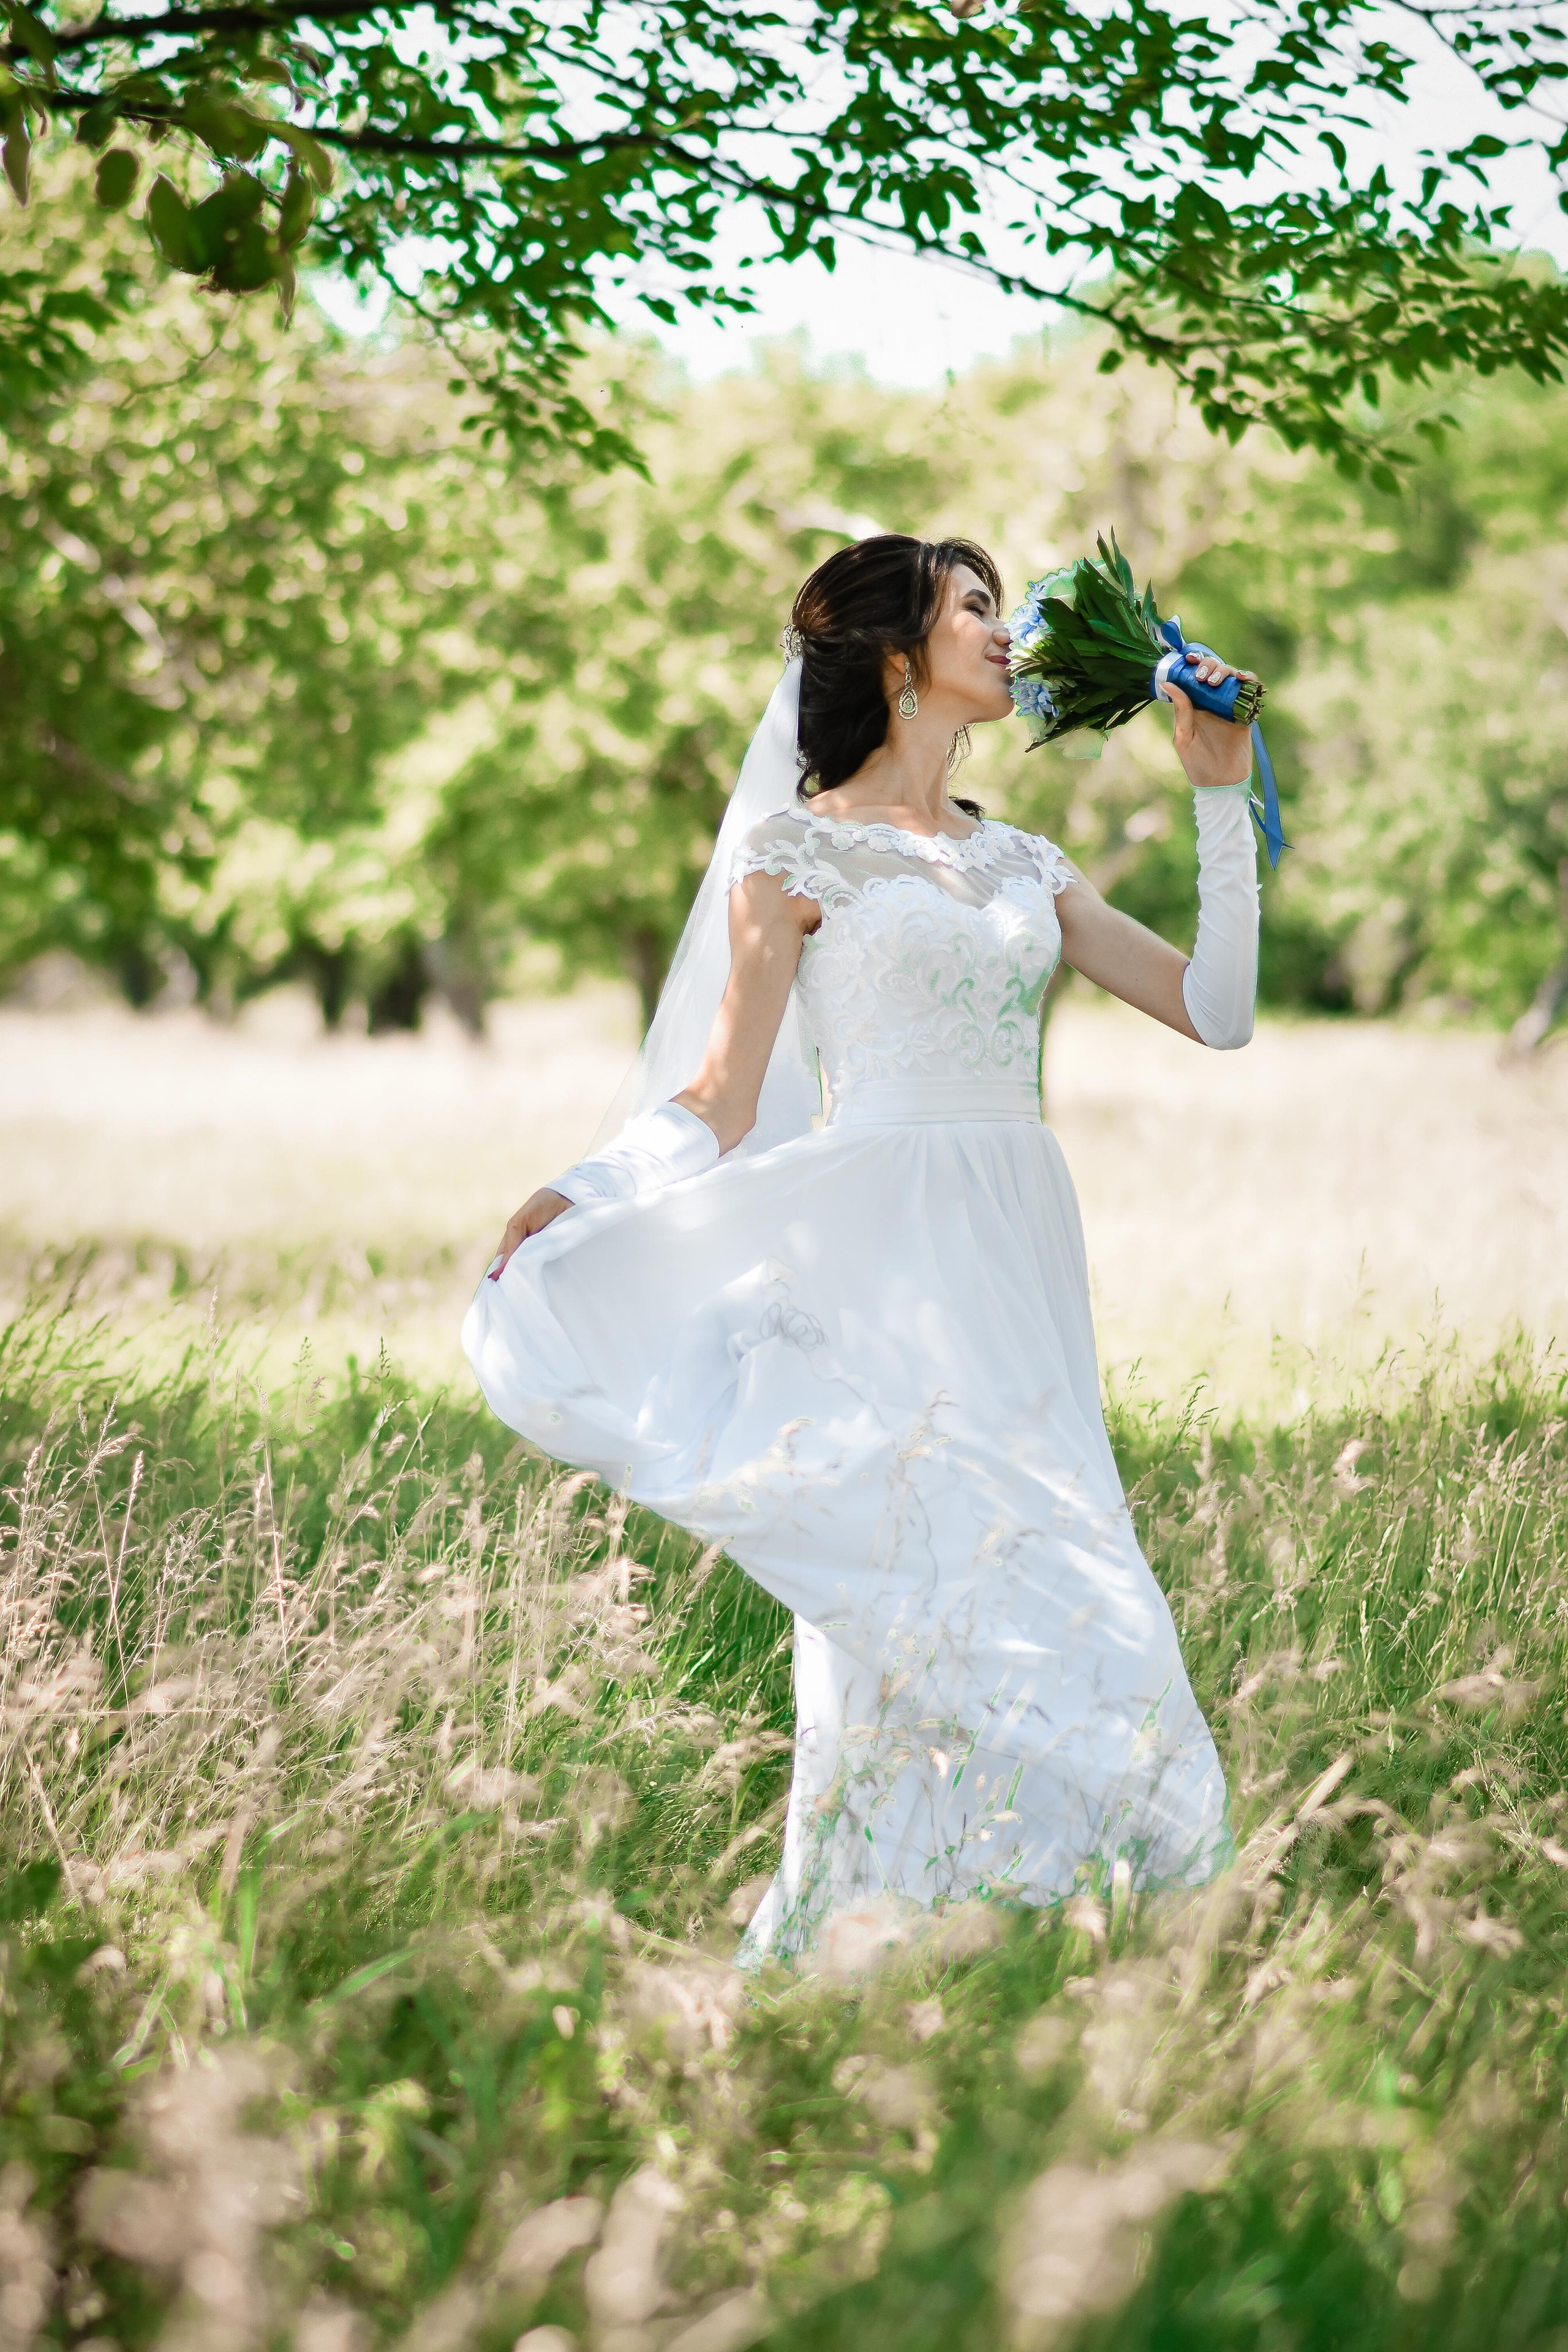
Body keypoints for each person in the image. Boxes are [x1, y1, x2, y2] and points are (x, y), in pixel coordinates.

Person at [464, 533, 1259, 1964]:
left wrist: (1215, 801)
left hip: (1013, 1239)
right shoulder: (794, 855)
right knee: (903, 1576)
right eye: (975, 611)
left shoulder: (1020, 859)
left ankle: (1091, 1907)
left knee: (1070, 1555)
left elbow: (1216, 1010)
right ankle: (876, 1936)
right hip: (875, 1252)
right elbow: (716, 1095)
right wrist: (586, 1187)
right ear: (898, 655)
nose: (1004, 635)